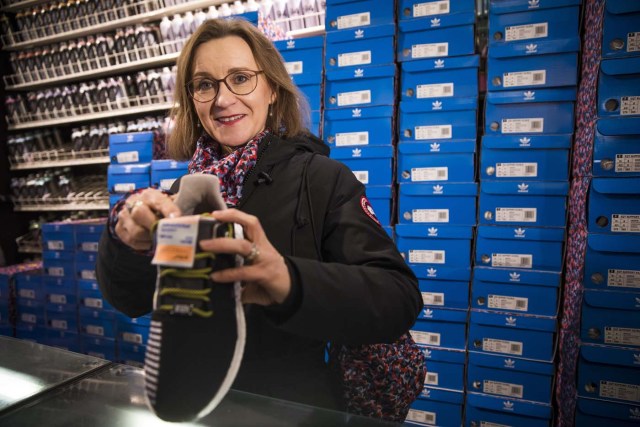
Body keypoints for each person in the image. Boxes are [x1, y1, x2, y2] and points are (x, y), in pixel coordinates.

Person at [96, 18, 422, 413]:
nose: (222, 99)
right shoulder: (184, 195)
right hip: (195, 403)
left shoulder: (321, 179)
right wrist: (126, 243)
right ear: (192, 101)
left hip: (296, 411)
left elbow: (397, 297)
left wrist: (288, 280)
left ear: (271, 89)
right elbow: (131, 300)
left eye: (240, 78)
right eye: (204, 85)